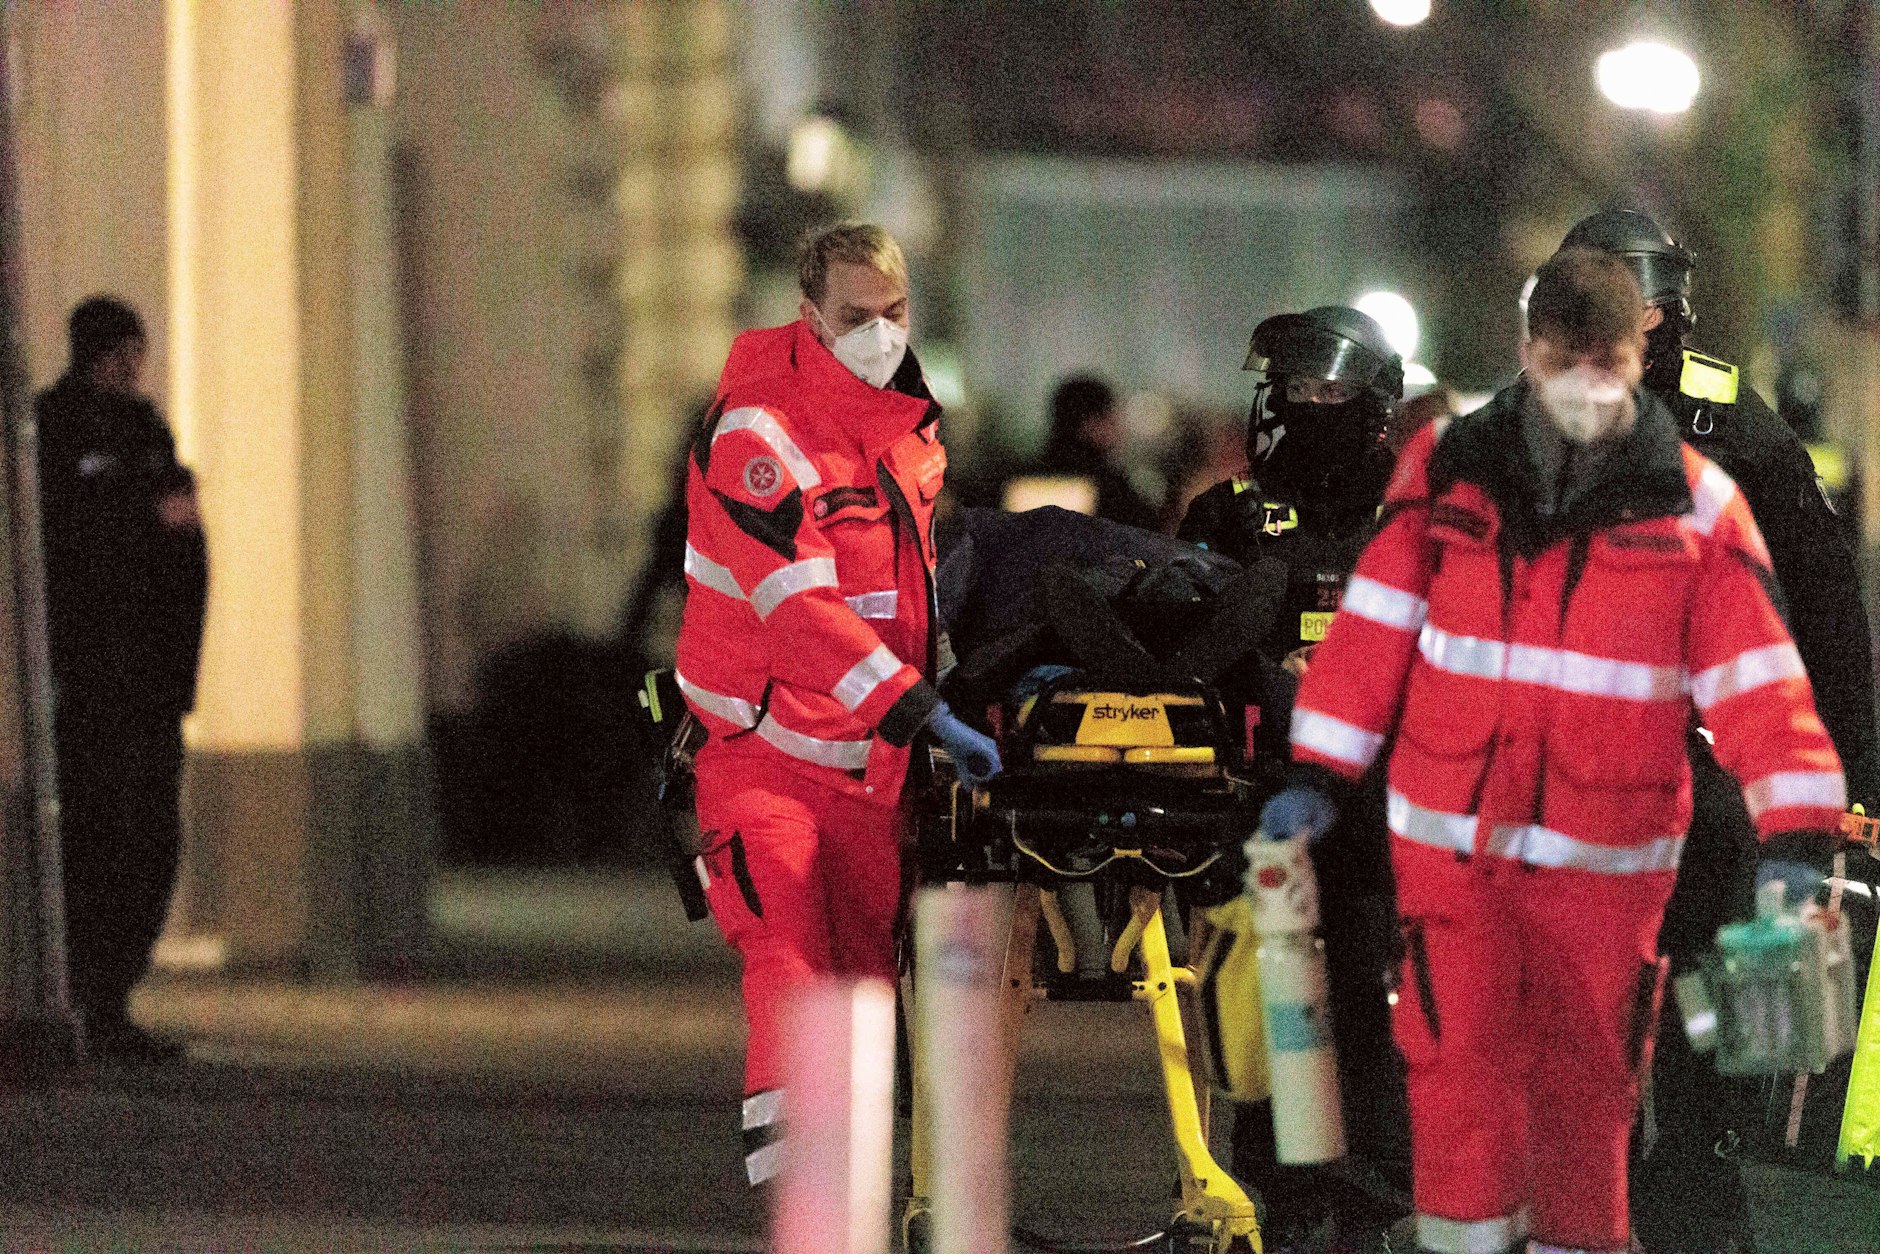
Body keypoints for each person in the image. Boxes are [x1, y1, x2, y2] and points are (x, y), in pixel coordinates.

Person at [1261, 248, 1846, 1254]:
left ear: (1638, 353)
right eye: (1565, 359)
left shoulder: (1692, 507)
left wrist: (1795, 830)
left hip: (1602, 879)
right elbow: (1372, 633)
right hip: (1459, 866)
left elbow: (1757, 679)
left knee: (1584, 1118)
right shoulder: (1446, 474)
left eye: (1605, 361)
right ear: (1528, 352)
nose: (1586, 384)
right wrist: (1317, 770)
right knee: (1455, 1108)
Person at [1560, 208, 1880, 1248]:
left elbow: (1822, 600)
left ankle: (1688, 1198)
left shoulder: (1726, 429)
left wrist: (1850, 777)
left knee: (1685, 1026)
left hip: (1696, 780)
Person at [672, 222, 999, 1187]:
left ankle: (850, 1200)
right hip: (762, 754)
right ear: (809, 314)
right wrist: (920, 710)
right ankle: (805, 1206)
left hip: (870, 774)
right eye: (857, 317)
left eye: (894, 314)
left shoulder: (901, 428)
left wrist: (941, 689)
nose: (881, 334)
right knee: (788, 967)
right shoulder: (757, 433)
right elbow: (796, 607)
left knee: (860, 997)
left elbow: (913, 589)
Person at [1178, 306, 1409, 1250]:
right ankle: (1284, 1184)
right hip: (1263, 792)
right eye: (1292, 391)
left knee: (1367, 980)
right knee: (1272, 998)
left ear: (1373, 405)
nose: (1301, 409)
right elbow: (1188, 641)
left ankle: (1373, 1189)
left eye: (1326, 392)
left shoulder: (1408, 519)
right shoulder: (1227, 514)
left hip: (1385, 796)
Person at [36, 296, 208, 1063]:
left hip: (150, 682)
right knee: (96, 835)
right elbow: (60, 551)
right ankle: (84, 996)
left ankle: (113, 994)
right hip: (88, 682)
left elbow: (185, 547)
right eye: (118, 351)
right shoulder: (53, 430)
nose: (131, 365)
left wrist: (180, 671)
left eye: (135, 350)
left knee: (152, 838)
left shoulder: (147, 433)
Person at [1022, 374, 1160, 530]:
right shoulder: (1110, 488)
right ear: (1092, 423)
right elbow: (1148, 533)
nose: (1121, 429)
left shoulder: (1019, 480)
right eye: (1113, 419)